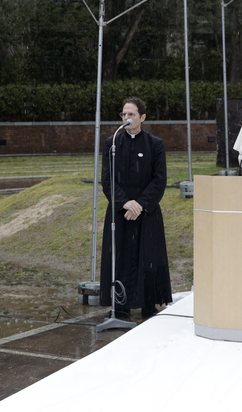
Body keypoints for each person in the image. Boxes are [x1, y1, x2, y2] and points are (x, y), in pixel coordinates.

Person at [100, 97, 172, 318]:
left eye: (131, 114)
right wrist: (125, 203)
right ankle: (120, 305)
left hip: (146, 213)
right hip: (120, 213)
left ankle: (148, 305)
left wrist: (140, 204)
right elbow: (108, 179)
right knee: (120, 258)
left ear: (142, 117)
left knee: (147, 259)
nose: (126, 118)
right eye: (123, 114)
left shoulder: (155, 145)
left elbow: (159, 180)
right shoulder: (112, 144)